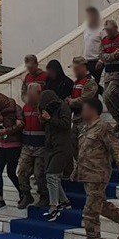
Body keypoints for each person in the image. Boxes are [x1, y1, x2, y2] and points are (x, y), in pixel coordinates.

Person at [72, 97, 119, 239]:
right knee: (100, 205)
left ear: (92, 110)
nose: (82, 111)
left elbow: (117, 150)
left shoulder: (103, 127)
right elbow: (83, 152)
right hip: (86, 174)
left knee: (90, 213)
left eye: (84, 108)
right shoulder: (85, 128)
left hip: (98, 175)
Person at [38, 89, 74, 222]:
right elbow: (45, 127)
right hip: (51, 147)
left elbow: (65, 124)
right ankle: (65, 201)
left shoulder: (63, 107)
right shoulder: (47, 109)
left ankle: (54, 207)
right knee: (53, 177)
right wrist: (43, 118)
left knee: (52, 175)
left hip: (62, 147)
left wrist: (50, 118)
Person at [0, 92, 24, 212]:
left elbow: (21, 125)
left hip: (14, 145)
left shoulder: (16, 108)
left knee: (11, 172)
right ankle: (0, 200)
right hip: (2, 145)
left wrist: (7, 131)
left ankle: (23, 193)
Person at [16, 83, 48, 209]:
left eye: (32, 95)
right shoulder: (26, 107)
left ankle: (44, 196)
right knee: (22, 172)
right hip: (27, 145)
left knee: (39, 174)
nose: (29, 98)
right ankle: (26, 195)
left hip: (41, 146)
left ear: (39, 93)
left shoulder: (44, 107)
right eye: (28, 95)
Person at [95, 19, 119, 134]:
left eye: (109, 30)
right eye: (106, 30)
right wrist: (113, 55)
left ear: (115, 28)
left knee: (110, 94)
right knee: (105, 98)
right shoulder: (104, 40)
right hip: (108, 73)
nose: (108, 32)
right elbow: (101, 55)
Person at [67, 56, 98, 130]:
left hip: (86, 118)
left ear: (83, 67)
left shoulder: (89, 81)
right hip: (77, 117)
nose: (74, 71)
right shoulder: (77, 81)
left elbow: (85, 100)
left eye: (76, 69)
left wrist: (71, 101)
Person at [82, 6, 105, 87]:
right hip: (86, 62)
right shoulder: (86, 30)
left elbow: (105, 46)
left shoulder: (101, 30)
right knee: (88, 85)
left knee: (95, 84)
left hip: (96, 62)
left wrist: (101, 61)